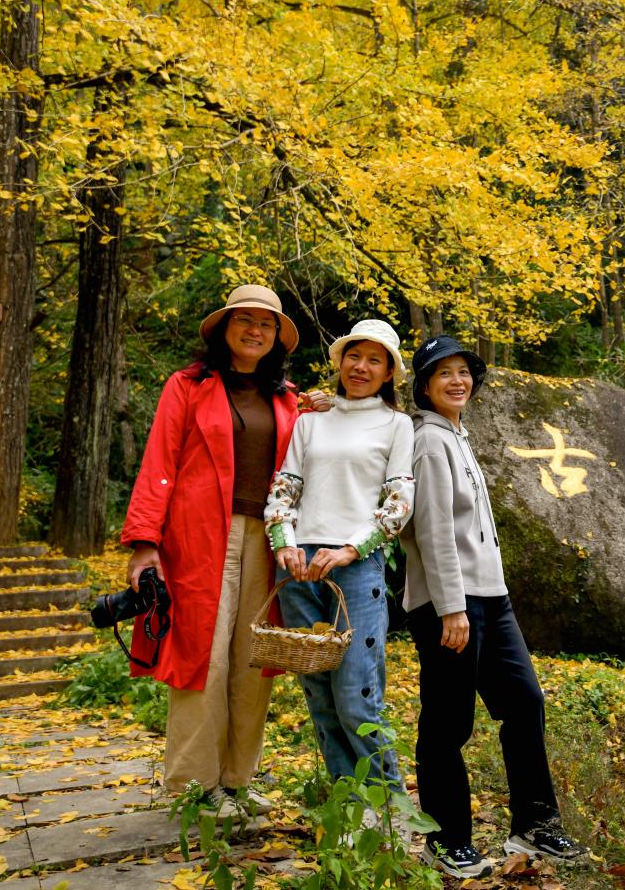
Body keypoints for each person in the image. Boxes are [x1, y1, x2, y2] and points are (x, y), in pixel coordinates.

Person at [122, 284, 316, 820]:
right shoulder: (188, 386)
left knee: (255, 658)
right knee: (200, 657)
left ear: (277, 337)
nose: (255, 330)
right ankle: (193, 785)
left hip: (269, 540)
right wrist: (145, 543)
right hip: (198, 536)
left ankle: (236, 780)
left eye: (267, 324)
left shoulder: (288, 398)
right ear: (225, 327)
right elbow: (158, 461)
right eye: (245, 320)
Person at [401, 335, 586, 878]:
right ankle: (446, 837)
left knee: (524, 702)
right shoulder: (430, 442)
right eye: (444, 374)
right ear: (425, 385)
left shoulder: (458, 435)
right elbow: (432, 530)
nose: (457, 381)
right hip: (449, 605)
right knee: (448, 723)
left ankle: (533, 823)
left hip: (490, 598)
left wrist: (490, 595)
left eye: (464, 372)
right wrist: (451, 608)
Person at [264, 319, 414, 791]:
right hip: (299, 566)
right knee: (319, 694)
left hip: (356, 564)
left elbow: (399, 502)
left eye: (375, 359)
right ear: (340, 361)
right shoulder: (310, 422)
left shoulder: (397, 424)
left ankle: (389, 806)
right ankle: (347, 802)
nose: (362, 367)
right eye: (355, 355)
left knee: (356, 694)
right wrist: (284, 543)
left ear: (389, 371)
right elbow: (284, 490)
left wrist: (352, 548)